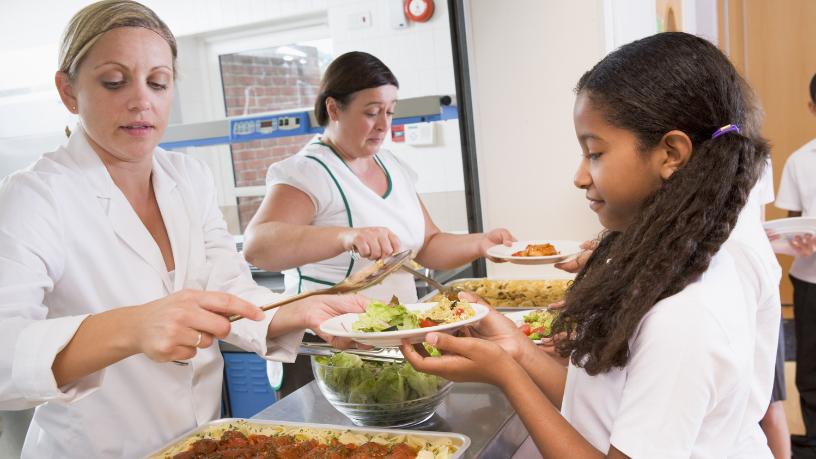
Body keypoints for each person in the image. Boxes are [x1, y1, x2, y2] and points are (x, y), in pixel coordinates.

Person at [0, 2, 368, 457]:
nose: (142, 101)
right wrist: (131, 327)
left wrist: (304, 309)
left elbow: (228, 289)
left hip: (197, 443)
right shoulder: (36, 195)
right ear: (68, 91)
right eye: (114, 81)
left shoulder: (189, 177)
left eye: (158, 82)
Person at [402, 32, 777, 458]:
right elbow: (601, 407)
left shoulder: (686, 317)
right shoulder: (657, 268)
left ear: (671, 154)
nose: (579, 177)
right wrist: (517, 350)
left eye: (595, 153)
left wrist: (507, 375)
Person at [242, 51, 515, 304]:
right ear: (333, 109)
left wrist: (480, 243)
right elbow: (257, 246)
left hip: (396, 330)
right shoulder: (309, 171)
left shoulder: (391, 164)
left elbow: (428, 244)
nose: (384, 125)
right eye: (372, 112)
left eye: (389, 111)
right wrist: (345, 237)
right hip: (329, 333)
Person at [773, 71, 816, 458]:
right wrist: (796, 241)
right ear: (812, 108)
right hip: (809, 278)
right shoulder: (800, 161)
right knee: (810, 366)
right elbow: (792, 223)